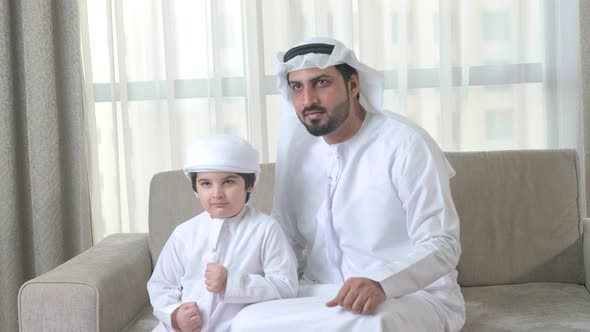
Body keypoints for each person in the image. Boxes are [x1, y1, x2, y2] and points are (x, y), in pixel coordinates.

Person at [231, 38, 465, 331]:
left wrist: (381, 281)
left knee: (374, 324)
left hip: (408, 296)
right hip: (320, 292)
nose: (308, 100)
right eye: (297, 87)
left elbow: (441, 243)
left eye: (321, 83)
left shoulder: (405, 144)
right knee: (246, 322)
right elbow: (285, 237)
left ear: (353, 86)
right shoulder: (298, 152)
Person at [147, 134, 298, 332]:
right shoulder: (184, 233)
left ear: (250, 184)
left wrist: (232, 283)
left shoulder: (265, 229)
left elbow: (286, 286)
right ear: (195, 187)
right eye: (206, 184)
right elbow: (161, 285)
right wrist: (174, 315)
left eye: (228, 182)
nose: (217, 193)